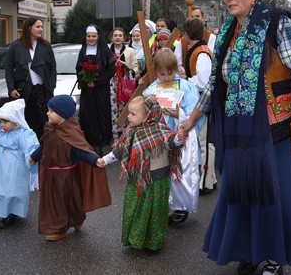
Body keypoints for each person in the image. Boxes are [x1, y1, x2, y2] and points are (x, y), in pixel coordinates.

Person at [179, 0, 291, 275]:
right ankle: (249, 250)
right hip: (240, 129)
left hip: (278, 125)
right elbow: (217, 85)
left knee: (276, 193)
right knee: (241, 192)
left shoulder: (276, 21)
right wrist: (190, 120)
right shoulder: (228, 32)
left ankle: (273, 256)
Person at [97, 96, 183, 251]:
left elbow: (172, 143)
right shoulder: (130, 131)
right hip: (136, 179)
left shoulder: (160, 129)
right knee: (135, 209)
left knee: (155, 211)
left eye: (133, 114)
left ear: (147, 116)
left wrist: (179, 138)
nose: (128, 117)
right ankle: (135, 239)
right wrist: (106, 159)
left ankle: (153, 243)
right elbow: (120, 149)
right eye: (129, 113)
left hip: (156, 180)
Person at [30, 95, 111, 241]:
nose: (47, 113)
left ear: (62, 114)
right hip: (50, 175)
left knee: (68, 201)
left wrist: (95, 160)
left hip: (66, 176)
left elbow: (81, 150)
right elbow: (44, 147)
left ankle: (71, 222)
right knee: (52, 203)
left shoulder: (71, 132)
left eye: (51, 111)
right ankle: (55, 227)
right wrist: (34, 157)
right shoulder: (49, 129)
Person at [143, 48, 201, 225]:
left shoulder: (186, 87)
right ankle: (161, 204)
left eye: (170, 73)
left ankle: (179, 207)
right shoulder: (151, 89)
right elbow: (142, 112)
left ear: (175, 69)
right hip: (159, 138)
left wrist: (179, 115)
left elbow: (195, 112)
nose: (166, 77)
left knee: (179, 172)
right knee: (160, 171)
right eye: (162, 73)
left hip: (178, 134)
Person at [0, 99, 40, 228]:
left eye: (5, 121)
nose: (1, 124)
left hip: (15, 166)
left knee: (13, 187)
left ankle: (12, 212)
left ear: (16, 121)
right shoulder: (0, 130)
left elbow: (30, 148)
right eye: (0, 121)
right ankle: (3, 210)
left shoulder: (24, 134)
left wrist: (31, 159)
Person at [4, 16, 57, 140]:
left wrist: (51, 87)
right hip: (23, 90)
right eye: (38, 26)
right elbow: (9, 68)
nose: (41, 29)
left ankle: (43, 148)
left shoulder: (46, 46)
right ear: (29, 28)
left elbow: (53, 68)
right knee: (25, 121)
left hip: (43, 91)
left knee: (44, 122)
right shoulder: (15, 46)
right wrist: (11, 88)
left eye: (41, 27)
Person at [182, 17, 217, 195]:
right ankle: (209, 178)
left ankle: (206, 181)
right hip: (200, 101)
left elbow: (204, 81)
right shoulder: (200, 50)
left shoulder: (201, 52)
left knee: (205, 142)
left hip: (203, 102)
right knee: (202, 141)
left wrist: (186, 79)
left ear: (187, 35)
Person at [76, 25, 116, 154]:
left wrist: (97, 82)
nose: (91, 38)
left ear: (98, 36)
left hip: (101, 90)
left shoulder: (105, 51)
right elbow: (79, 68)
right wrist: (86, 81)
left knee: (101, 114)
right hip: (87, 90)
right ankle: (89, 141)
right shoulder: (83, 51)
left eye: (94, 36)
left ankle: (102, 142)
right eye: (89, 36)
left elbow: (111, 69)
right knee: (87, 115)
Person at [110, 27, 138, 142]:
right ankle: (115, 137)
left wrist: (129, 71)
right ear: (112, 37)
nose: (117, 37)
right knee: (113, 108)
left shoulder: (129, 50)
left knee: (125, 107)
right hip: (111, 83)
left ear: (124, 38)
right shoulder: (107, 50)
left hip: (125, 82)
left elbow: (135, 66)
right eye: (115, 35)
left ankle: (126, 135)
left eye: (120, 35)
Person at [175, 5, 216, 72]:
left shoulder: (211, 37)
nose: (194, 19)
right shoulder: (183, 41)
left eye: (197, 17)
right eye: (191, 17)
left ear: (203, 18)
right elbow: (177, 63)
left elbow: (213, 59)